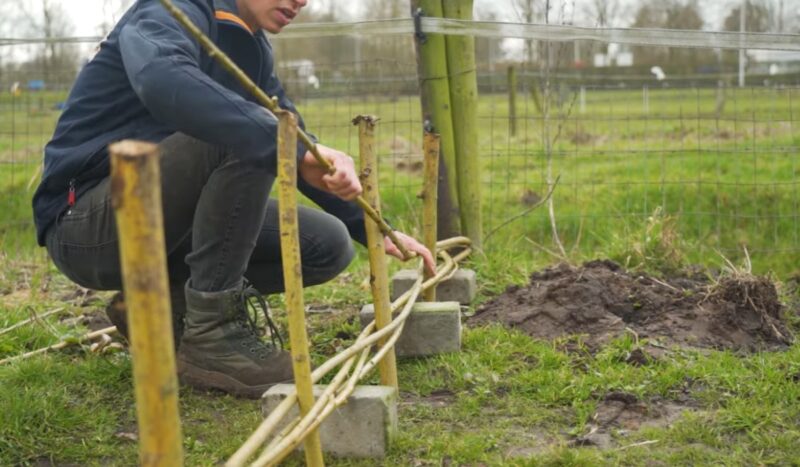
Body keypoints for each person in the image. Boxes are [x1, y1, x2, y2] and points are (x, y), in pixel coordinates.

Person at [32, 0, 435, 399]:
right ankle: (213, 335)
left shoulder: (251, 49)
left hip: (163, 222)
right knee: (253, 132)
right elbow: (161, 79)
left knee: (326, 245)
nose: (301, 1)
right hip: (88, 227)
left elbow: (295, 141)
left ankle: (164, 307)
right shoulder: (168, 11)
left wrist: (373, 228)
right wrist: (286, 146)